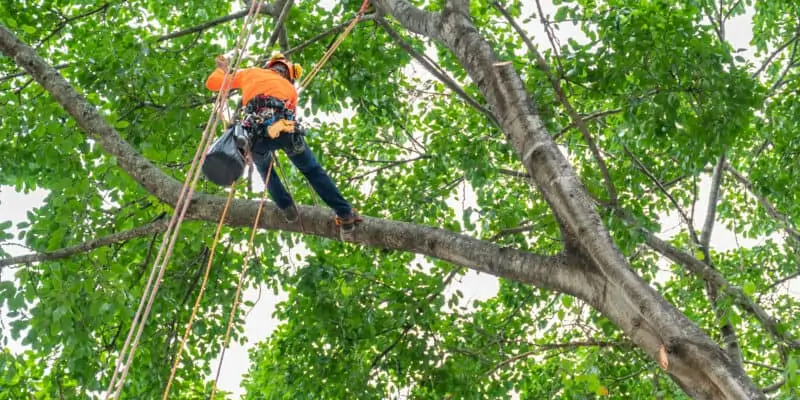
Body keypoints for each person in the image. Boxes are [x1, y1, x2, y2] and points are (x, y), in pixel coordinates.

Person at [205, 53, 362, 231]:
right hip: (285, 131)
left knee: (266, 170)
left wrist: (222, 70)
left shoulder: (251, 73)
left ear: (271, 66)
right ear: (288, 74)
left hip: (255, 137)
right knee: (312, 171)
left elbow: (212, 84)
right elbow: (290, 113)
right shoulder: (290, 89)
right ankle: (345, 214)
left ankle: (287, 208)